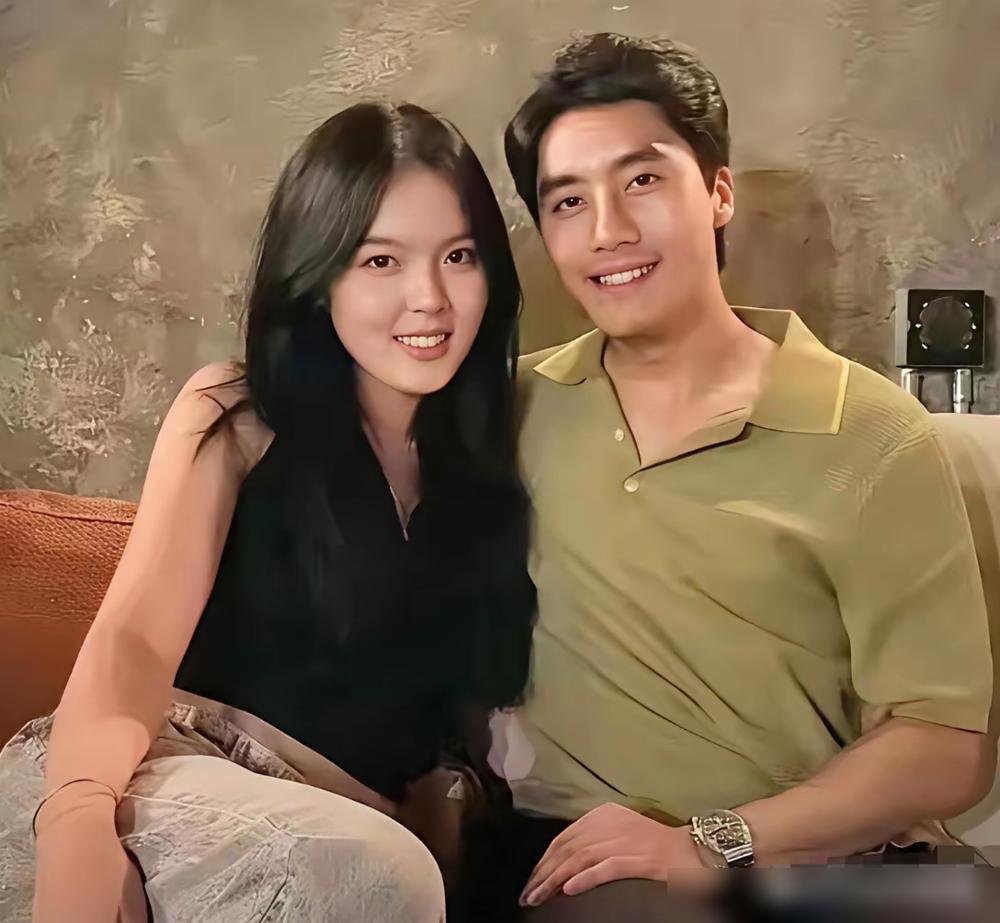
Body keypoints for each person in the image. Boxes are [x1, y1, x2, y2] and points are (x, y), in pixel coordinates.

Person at [465, 33, 995, 920]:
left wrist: (714, 840)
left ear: (717, 191)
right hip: (595, 860)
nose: (608, 230)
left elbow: (945, 744)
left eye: (642, 179)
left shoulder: (873, 433)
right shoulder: (512, 409)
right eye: (568, 201)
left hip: (820, 864)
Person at [0, 102, 535, 922]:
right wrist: (77, 821)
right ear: (318, 277)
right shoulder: (241, 414)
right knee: (383, 874)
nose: (429, 298)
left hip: (334, 859)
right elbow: (134, 639)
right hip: (153, 784)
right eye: (381, 260)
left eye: (458, 256)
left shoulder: (491, 464)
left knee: (388, 876)